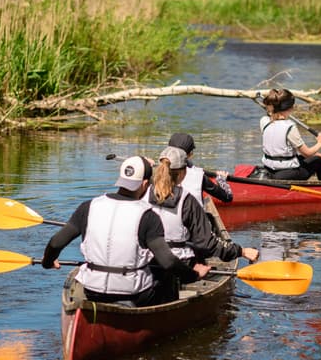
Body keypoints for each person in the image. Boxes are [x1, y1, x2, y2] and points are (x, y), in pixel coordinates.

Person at [41, 155, 210, 307]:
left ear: (120, 179)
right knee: (166, 277)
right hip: (134, 294)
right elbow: (169, 262)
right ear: (145, 184)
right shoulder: (148, 216)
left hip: (92, 290)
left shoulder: (88, 207)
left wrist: (48, 261)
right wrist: (194, 275)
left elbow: (56, 242)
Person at [147, 146, 259, 267]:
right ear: (182, 173)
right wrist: (242, 251)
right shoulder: (187, 201)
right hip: (180, 264)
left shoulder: (143, 193)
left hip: (149, 261)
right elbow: (208, 244)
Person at [259, 88, 321, 180]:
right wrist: (320, 143)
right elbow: (307, 153)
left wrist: (314, 153)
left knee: (310, 156)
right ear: (291, 108)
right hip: (285, 172)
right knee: (318, 161)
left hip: (269, 168)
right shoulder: (290, 127)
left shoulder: (264, 121)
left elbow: (280, 147)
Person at [167, 132, 233, 205]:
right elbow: (228, 197)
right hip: (190, 215)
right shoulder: (199, 176)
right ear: (191, 154)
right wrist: (221, 180)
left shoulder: (156, 172)